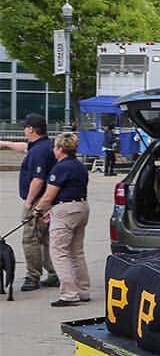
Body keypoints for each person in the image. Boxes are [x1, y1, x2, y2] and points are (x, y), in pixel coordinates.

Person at [0, 114, 59, 292]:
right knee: (46, 238)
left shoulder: (38, 152)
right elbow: (25, 148)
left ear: (31, 129)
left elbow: (38, 179)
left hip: (38, 200)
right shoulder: (44, 146)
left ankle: (33, 275)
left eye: (25, 127)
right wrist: (5, 143)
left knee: (30, 238)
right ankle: (54, 273)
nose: (24, 130)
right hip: (48, 200)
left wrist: (29, 202)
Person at [33, 131, 90, 307]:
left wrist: (38, 209)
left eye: (55, 147)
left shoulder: (60, 168)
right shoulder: (80, 166)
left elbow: (49, 196)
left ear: (60, 148)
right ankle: (83, 290)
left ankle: (69, 294)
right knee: (76, 251)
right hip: (81, 206)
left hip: (65, 209)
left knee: (59, 252)